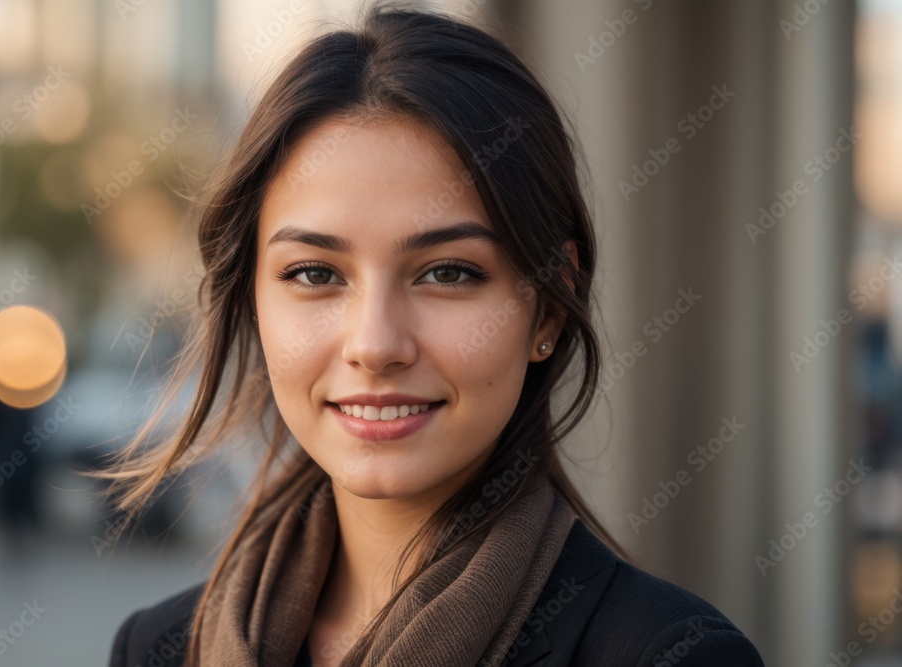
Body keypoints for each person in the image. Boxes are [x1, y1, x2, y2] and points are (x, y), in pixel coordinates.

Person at [101, 3, 766, 665]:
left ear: (548, 309)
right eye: (313, 273)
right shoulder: (158, 648)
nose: (375, 343)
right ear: (253, 298)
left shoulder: (670, 655)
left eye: (447, 272)